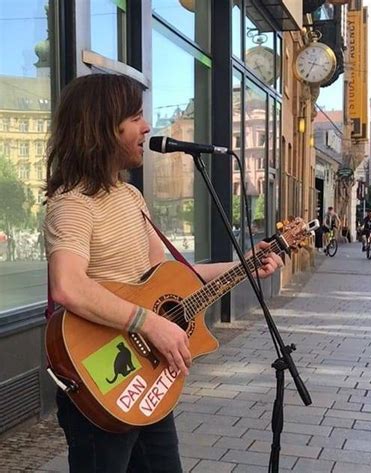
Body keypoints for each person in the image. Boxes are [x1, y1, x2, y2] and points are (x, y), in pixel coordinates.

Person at [43, 73, 283, 473]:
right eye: (135, 116)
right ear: (104, 125)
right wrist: (149, 323)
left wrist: (246, 265)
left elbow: (171, 275)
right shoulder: (73, 204)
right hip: (101, 377)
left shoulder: (130, 196)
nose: (147, 127)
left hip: (148, 380)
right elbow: (67, 286)